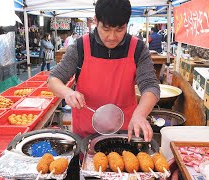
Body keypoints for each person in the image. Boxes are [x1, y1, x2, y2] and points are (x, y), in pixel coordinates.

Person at [48, 0, 160, 142]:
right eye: (106, 29)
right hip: (85, 133)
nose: (112, 37)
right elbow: (53, 79)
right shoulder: (81, 47)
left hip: (126, 131)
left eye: (119, 30)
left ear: (127, 24)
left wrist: (140, 114)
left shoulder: (138, 48)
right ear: (96, 21)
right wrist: (67, 93)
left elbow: (151, 86)